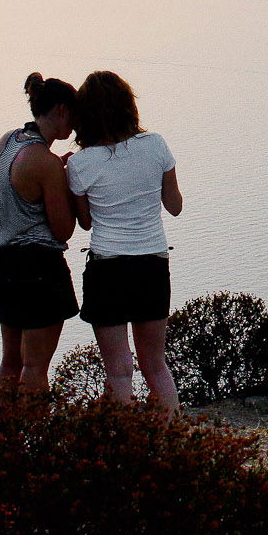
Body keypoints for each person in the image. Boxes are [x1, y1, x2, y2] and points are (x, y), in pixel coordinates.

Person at [62, 70, 188, 405]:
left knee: (119, 372)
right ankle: (169, 443)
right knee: (155, 365)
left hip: (108, 269)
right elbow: (174, 206)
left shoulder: (80, 164)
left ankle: (123, 451)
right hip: (152, 264)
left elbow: (86, 223)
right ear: (129, 106)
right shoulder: (156, 145)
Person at [0, 74, 86, 404]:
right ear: (60, 111)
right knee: (36, 366)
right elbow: (63, 230)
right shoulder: (46, 162)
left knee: (11, 360)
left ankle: (4, 438)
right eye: (74, 114)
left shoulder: (6, 142)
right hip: (38, 267)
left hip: (0, 263)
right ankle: (33, 443)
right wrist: (66, 180)